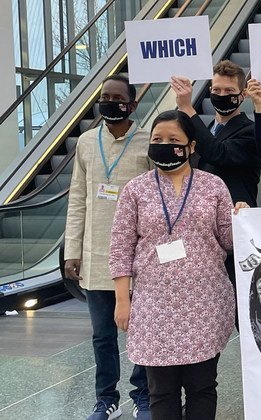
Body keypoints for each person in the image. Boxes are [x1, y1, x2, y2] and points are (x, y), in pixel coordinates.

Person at [110, 110, 247, 420]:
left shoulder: (213, 187)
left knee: (202, 387)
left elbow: (229, 241)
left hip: (205, 303)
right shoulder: (136, 190)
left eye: (173, 140)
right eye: (157, 139)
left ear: (191, 146)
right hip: (154, 306)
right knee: (161, 390)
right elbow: (120, 246)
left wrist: (242, 217)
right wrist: (122, 300)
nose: (164, 145)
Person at [64, 74, 151, 420]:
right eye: (105, 97)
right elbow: (77, 199)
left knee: (141, 334)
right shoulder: (86, 142)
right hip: (96, 257)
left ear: (132, 104)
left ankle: (142, 395)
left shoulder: (147, 141)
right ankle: (106, 399)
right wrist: (73, 249)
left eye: (118, 98)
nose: (110, 103)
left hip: (139, 258)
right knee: (103, 337)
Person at [170, 60, 261, 329]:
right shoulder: (204, 129)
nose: (222, 96)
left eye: (229, 91)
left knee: (242, 313)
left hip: (235, 231)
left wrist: (187, 108)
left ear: (242, 94)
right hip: (200, 233)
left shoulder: (250, 131)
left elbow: (218, 154)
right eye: (217, 90)